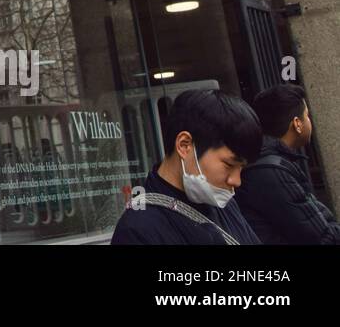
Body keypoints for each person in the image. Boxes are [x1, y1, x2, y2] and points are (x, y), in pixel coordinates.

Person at [112, 89, 260, 244]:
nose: (236, 181)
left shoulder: (224, 204)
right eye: (229, 164)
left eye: (241, 168)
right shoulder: (137, 229)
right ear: (184, 145)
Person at [236, 84, 340, 244]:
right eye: (307, 115)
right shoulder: (271, 171)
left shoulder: (268, 162)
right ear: (297, 124)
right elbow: (321, 237)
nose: (309, 121)